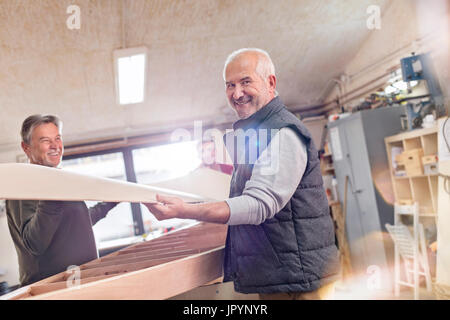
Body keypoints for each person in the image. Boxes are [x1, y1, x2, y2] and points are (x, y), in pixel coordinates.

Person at [145, 48, 340, 300]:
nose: (237, 93)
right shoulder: (257, 134)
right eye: (230, 85)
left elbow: (257, 205)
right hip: (280, 277)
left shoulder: (283, 134)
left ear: (270, 82)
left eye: (246, 82)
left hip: (298, 282)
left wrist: (184, 210)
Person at [6, 114, 118, 286]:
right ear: (26, 147)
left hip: (81, 282)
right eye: (45, 140)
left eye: (57, 138)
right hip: (52, 288)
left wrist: (110, 203)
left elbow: (76, 222)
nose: (55, 146)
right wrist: (52, 194)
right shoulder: (23, 186)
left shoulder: (59, 180)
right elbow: (34, 243)